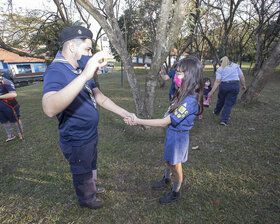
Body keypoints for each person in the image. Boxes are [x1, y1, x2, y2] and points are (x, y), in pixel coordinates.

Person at [42, 26, 134, 210]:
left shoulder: (81, 68)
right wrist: (85, 75)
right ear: (71, 48)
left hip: (90, 134)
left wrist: (123, 112)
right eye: (87, 49)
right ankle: (87, 199)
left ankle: (91, 187)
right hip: (76, 138)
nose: (90, 54)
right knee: (82, 169)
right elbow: (49, 108)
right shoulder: (56, 71)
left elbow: (99, 97)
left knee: (91, 163)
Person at [127, 56, 204, 204]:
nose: (176, 76)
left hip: (178, 137)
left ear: (191, 76)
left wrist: (138, 120)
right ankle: (167, 178)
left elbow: (164, 122)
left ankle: (176, 191)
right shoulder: (182, 91)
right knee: (168, 160)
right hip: (172, 133)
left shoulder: (190, 101)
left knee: (175, 164)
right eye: (176, 72)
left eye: (180, 73)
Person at [207, 56, 246, 126]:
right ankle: (224, 120)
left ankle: (216, 112)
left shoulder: (220, 69)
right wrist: (243, 85)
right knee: (228, 103)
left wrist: (211, 92)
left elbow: (218, 81)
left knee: (221, 100)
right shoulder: (236, 66)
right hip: (235, 85)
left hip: (224, 86)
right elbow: (242, 76)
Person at [0, 71, 24, 142]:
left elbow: (13, 94)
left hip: (9, 106)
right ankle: (10, 135)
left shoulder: (6, 82)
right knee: (5, 121)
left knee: (15, 120)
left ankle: (20, 133)